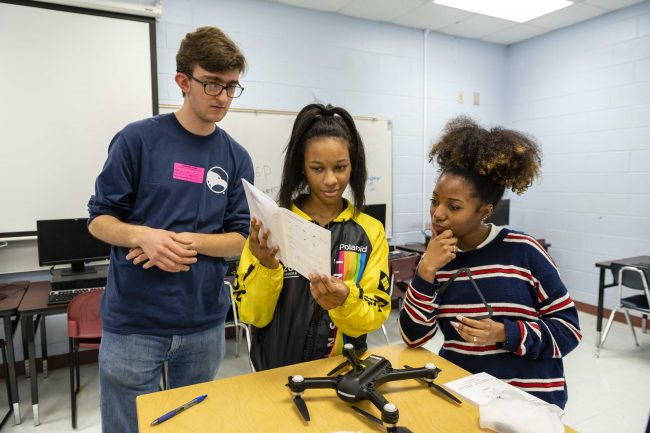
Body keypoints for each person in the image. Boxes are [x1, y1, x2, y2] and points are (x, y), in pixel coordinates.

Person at [87, 26, 253, 433]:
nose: (223, 97)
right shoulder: (137, 140)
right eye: (212, 84)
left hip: (203, 322)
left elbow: (240, 236)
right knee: (127, 425)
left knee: (189, 425)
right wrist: (142, 236)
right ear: (183, 81)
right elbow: (99, 219)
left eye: (232, 87)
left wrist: (186, 242)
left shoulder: (235, 156)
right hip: (135, 324)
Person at [398, 116, 581, 409]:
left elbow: (568, 331)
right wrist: (425, 271)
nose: (438, 213)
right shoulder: (435, 259)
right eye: (435, 200)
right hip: (463, 399)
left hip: (531, 403)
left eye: (453, 206)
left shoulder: (525, 251)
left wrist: (504, 333)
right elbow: (413, 338)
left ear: (484, 211)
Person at [234, 103, 391, 371]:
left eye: (340, 167)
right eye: (318, 168)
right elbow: (252, 315)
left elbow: (374, 317)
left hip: (343, 374)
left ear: (353, 165)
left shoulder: (370, 231)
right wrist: (266, 268)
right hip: (275, 375)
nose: (331, 180)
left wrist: (344, 300)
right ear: (302, 168)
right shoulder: (273, 224)